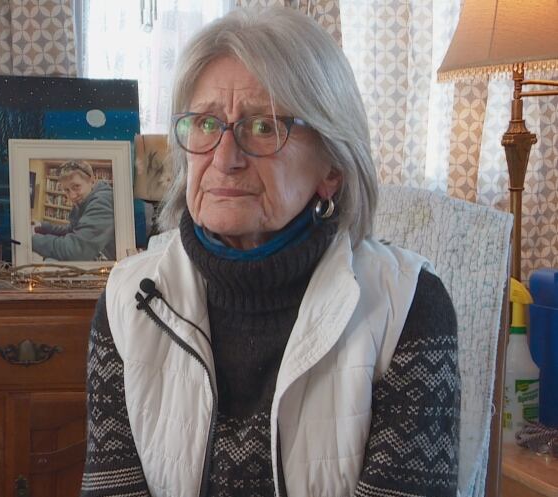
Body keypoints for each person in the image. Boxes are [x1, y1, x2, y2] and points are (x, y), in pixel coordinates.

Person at [81, 7, 460, 497]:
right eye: (204, 124)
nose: (224, 158)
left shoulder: (408, 308)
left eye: (263, 127)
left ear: (332, 167)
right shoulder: (128, 302)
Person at [32, 160, 116, 261]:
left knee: (50, 261)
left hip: (110, 266)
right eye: (67, 190)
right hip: (96, 254)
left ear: (92, 181)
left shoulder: (102, 202)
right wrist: (42, 227)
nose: (72, 196)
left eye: (76, 187)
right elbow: (71, 230)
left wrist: (31, 240)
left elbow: (76, 250)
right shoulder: (84, 200)